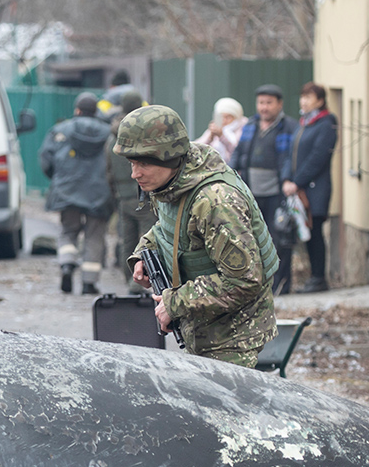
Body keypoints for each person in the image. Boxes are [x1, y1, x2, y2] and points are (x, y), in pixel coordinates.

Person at [114, 105, 278, 368]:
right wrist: (143, 253)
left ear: (167, 157)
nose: (135, 174)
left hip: (233, 338)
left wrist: (174, 303)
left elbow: (245, 280)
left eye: (143, 163)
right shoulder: (173, 183)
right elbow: (169, 229)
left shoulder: (215, 201)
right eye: (132, 163)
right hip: (203, 328)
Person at [39, 92, 113, 294]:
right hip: (99, 193)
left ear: (77, 110)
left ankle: (67, 263)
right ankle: (89, 283)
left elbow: (46, 159)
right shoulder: (108, 134)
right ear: (95, 111)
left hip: (68, 190)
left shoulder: (60, 130)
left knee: (68, 230)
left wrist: (58, 180)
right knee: (94, 236)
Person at [230, 84, 299, 294]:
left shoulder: (289, 127)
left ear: (279, 104)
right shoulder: (250, 125)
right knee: (252, 239)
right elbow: (238, 153)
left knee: (279, 239)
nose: (264, 107)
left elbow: (290, 159)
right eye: (261, 103)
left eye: (269, 103)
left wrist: (287, 179)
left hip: (277, 193)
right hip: (251, 193)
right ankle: (257, 284)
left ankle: (281, 285)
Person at [284, 82, 338, 293]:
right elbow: (291, 154)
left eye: (309, 97)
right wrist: (287, 179)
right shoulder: (304, 123)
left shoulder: (327, 123)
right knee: (306, 233)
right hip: (298, 189)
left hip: (315, 190)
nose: (303, 101)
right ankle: (314, 277)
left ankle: (319, 278)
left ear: (321, 100)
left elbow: (318, 157)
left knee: (315, 234)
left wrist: (298, 181)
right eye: (302, 96)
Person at [104, 90, 155, 292]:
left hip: (122, 195)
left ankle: (129, 280)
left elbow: (108, 171)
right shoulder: (144, 134)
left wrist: (114, 193)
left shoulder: (112, 137)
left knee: (127, 238)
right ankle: (147, 280)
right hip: (145, 194)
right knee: (150, 237)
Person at [193, 98, 246, 165]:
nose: (224, 120)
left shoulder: (242, 129)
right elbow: (197, 148)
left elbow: (237, 151)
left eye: (228, 117)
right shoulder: (215, 128)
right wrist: (210, 137)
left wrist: (222, 136)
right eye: (221, 117)